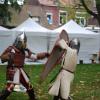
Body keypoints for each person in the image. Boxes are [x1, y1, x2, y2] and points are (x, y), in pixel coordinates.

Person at [0, 32, 49, 100]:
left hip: (20, 71)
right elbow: (2, 57)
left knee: (29, 86)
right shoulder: (11, 49)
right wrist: (9, 55)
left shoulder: (24, 51)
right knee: (10, 87)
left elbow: (35, 56)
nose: (25, 44)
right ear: (20, 42)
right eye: (24, 42)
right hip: (13, 70)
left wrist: (44, 54)